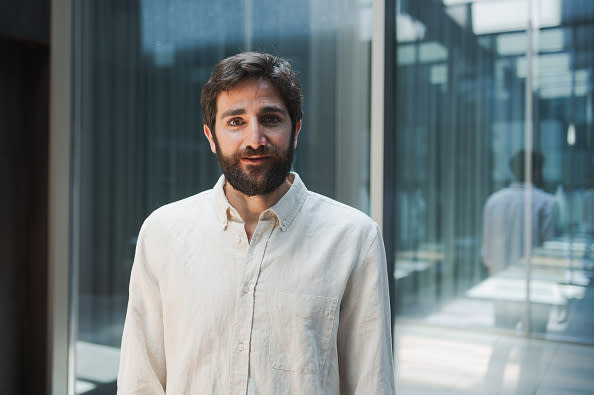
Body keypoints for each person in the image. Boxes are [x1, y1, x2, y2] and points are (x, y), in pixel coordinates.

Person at [117, 52, 395, 394]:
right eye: (236, 121)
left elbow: (371, 382)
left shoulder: (354, 238)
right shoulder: (163, 233)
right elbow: (139, 379)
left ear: (296, 130)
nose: (255, 139)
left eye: (270, 119)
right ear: (210, 135)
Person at [482, 150, 557, 274]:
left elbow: (487, 249)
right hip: (533, 276)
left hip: (499, 275)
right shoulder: (547, 202)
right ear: (537, 171)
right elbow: (549, 247)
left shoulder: (494, 200)